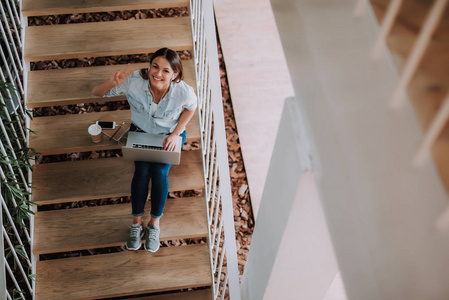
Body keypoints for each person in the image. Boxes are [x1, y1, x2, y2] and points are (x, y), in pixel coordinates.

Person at [92, 48, 197, 252]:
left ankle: (154, 224)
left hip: (169, 134)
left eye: (166, 71)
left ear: (175, 74)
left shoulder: (183, 90)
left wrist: (176, 133)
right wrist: (113, 83)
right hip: (140, 131)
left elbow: (191, 107)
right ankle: (136, 223)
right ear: (149, 66)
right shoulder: (134, 80)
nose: (158, 74)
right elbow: (96, 93)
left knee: (159, 173)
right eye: (155, 67)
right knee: (141, 173)